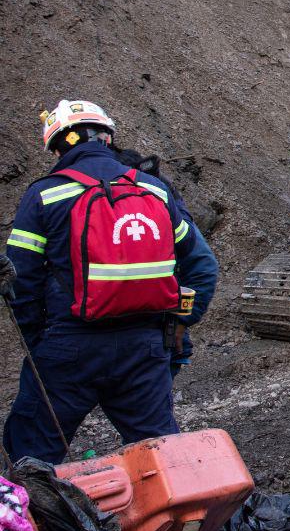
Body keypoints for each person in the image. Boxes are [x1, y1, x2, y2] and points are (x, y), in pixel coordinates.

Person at [3, 100, 219, 464]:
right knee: (164, 460)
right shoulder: (154, 190)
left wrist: (37, 342)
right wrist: (179, 322)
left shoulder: (44, 195)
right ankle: (183, 521)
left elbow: (21, 280)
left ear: (57, 148)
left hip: (67, 348)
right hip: (145, 349)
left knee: (30, 459)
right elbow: (202, 266)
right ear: (107, 138)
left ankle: (31, 520)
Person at [113, 148, 217, 377]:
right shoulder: (157, 194)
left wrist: (182, 320)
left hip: (146, 334)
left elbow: (202, 265)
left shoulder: (151, 199)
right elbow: (203, 265)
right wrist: (182, 321)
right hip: (154, 334)